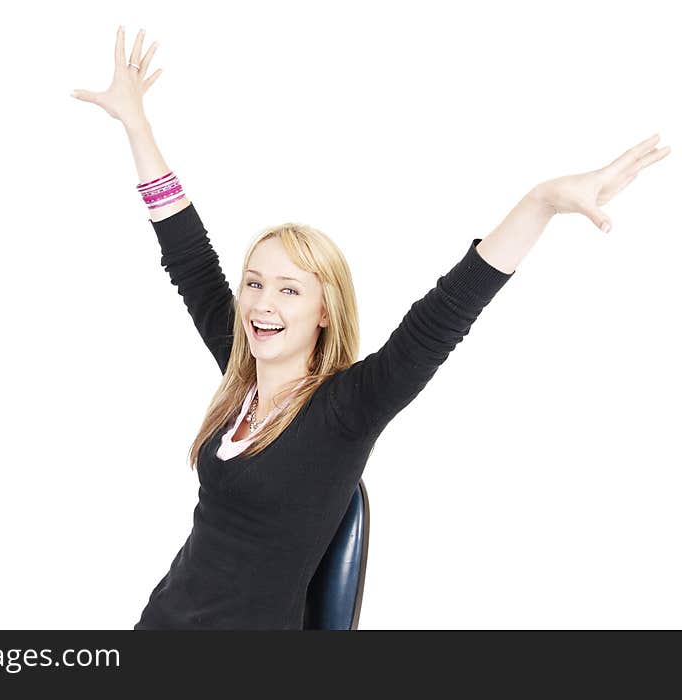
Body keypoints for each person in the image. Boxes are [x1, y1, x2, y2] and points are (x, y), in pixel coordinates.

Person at [71, 26, 671, 630]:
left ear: (324, 310)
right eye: (254, 283)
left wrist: (540, 201)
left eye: (289, 290)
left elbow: (445, 314)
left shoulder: (347, 408)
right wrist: (136, 124)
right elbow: (190, 256)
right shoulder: (240, 370)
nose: (261, 305)